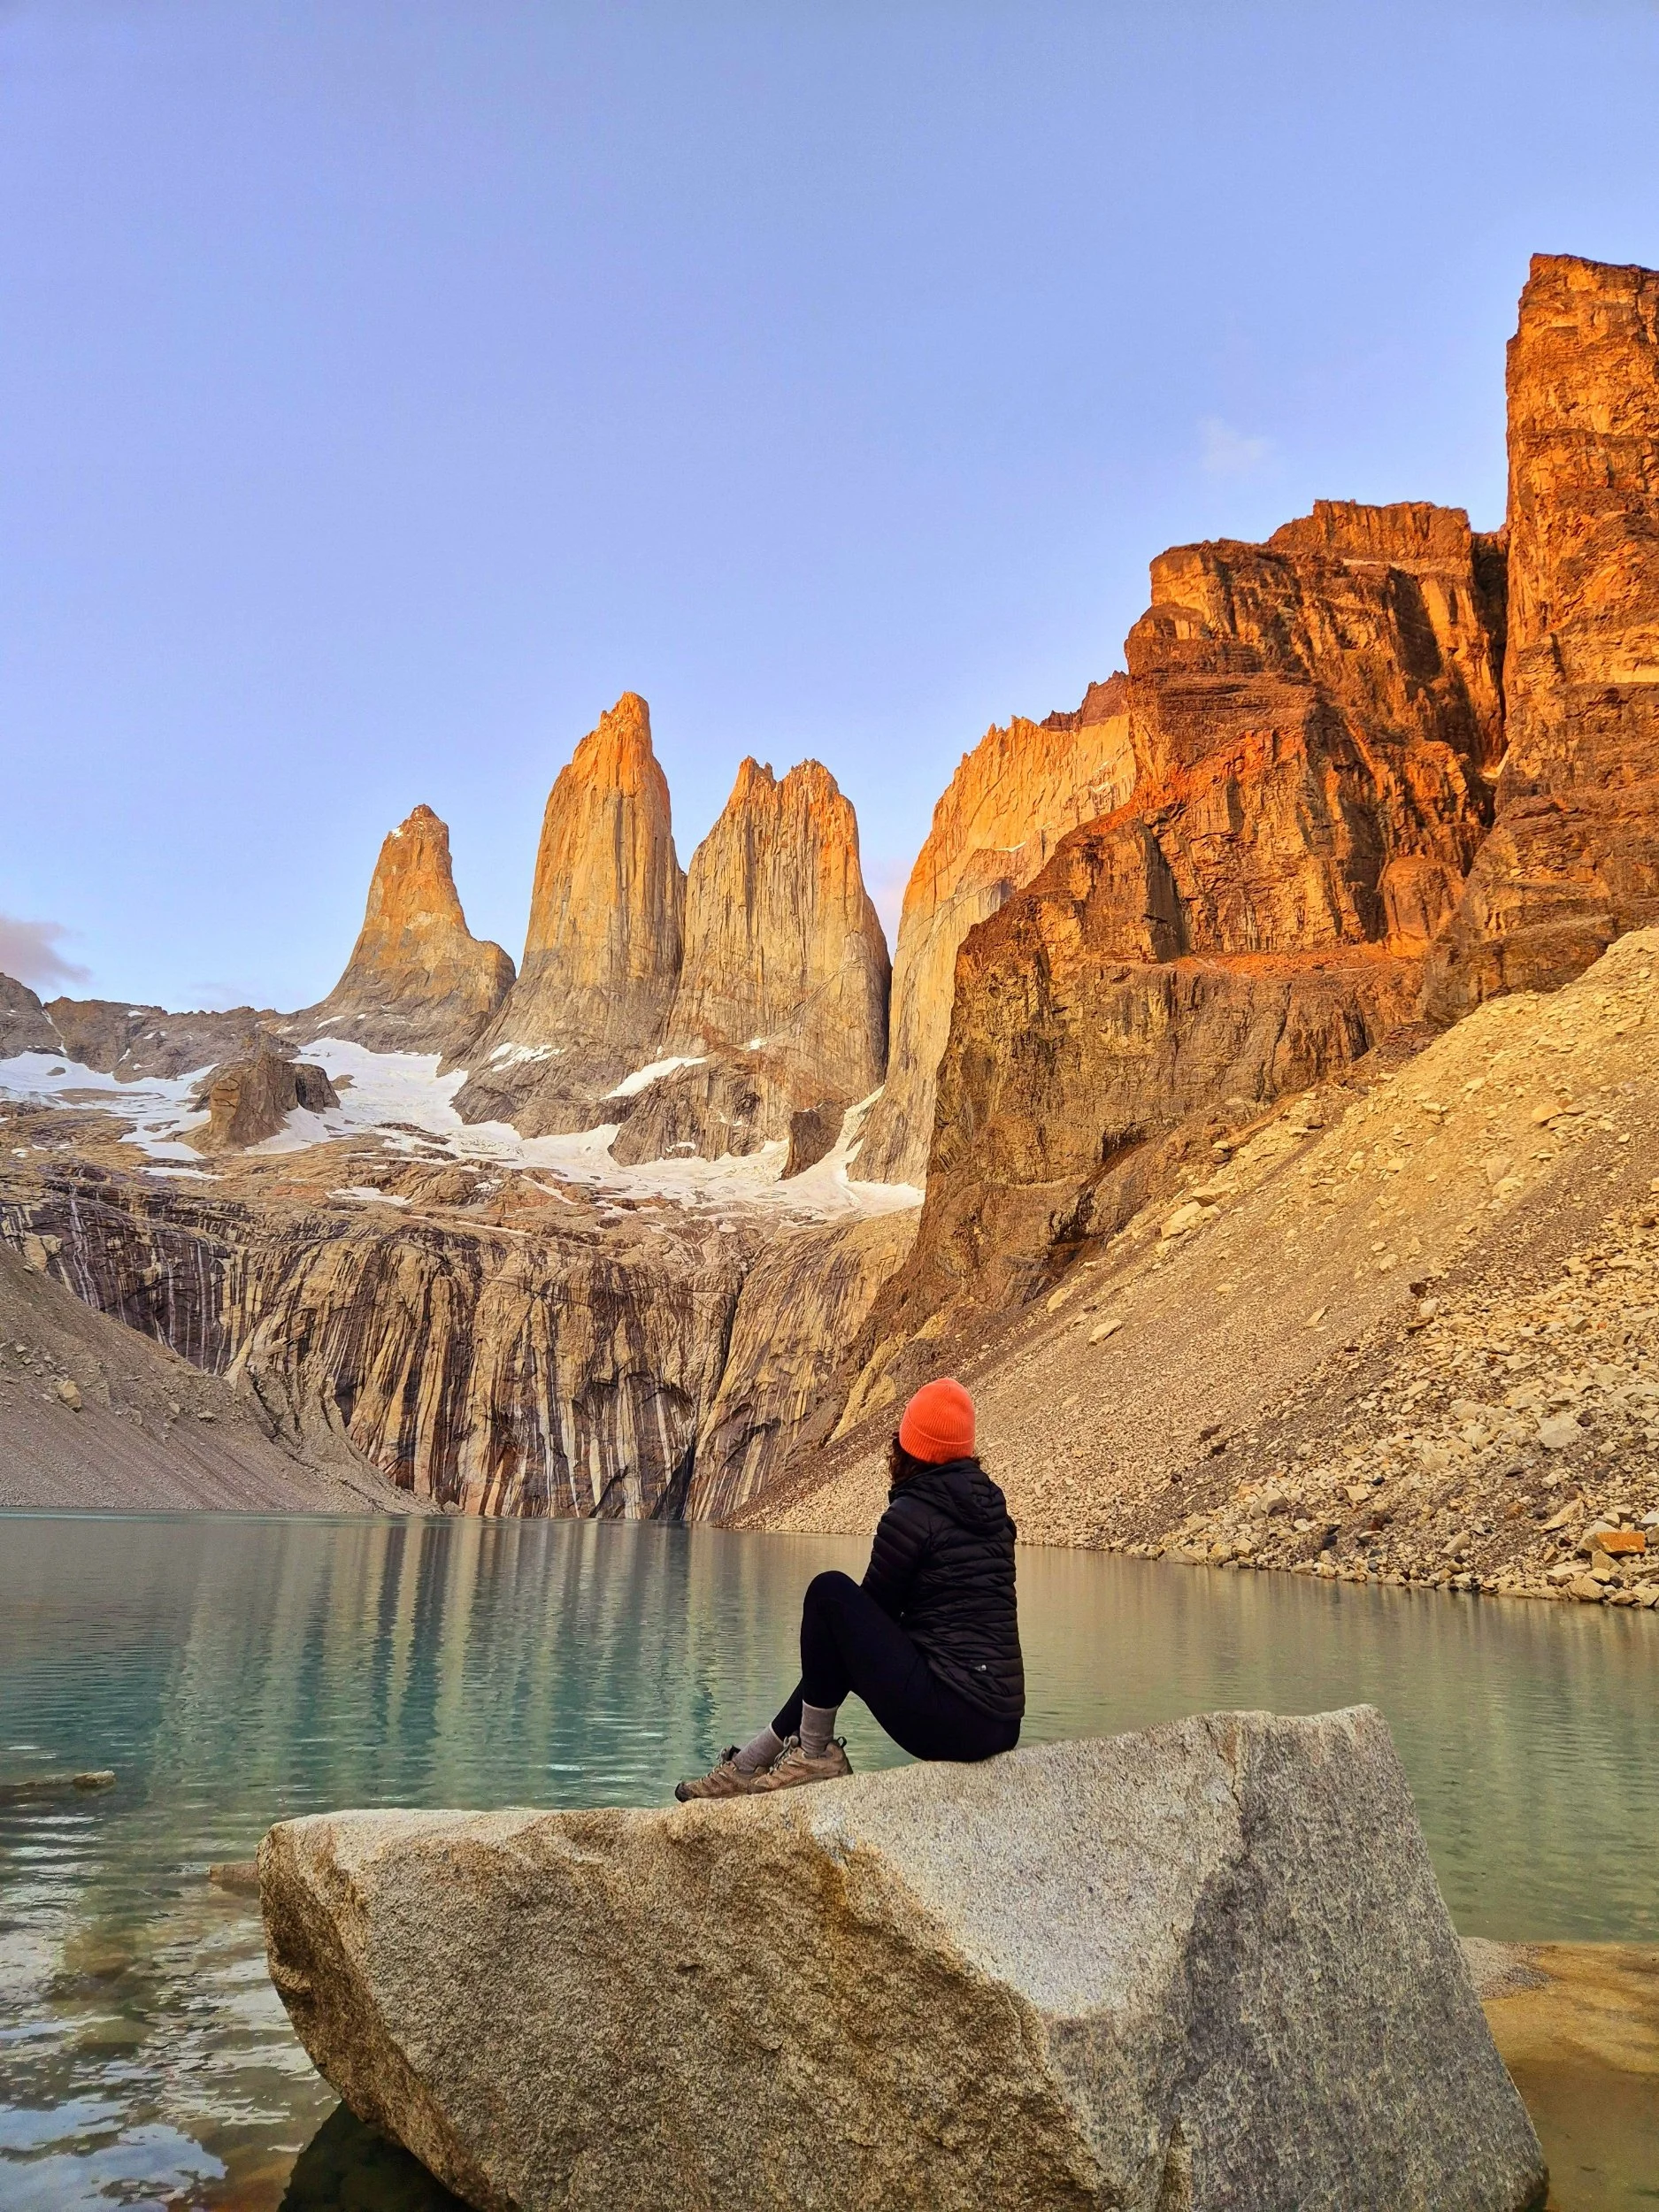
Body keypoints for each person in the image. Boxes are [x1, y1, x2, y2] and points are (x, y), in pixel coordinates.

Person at [675, 1377, 1024, 1798]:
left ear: (909, 1446)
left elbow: (860, 1626)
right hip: (1001, 1726)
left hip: (950, 1721)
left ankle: (810, 1755)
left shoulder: (912, 1514)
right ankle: (753, 1761)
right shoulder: (993, 1516)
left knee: (828, 1595)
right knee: (838, 1631)